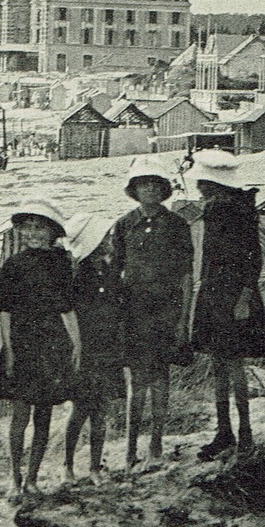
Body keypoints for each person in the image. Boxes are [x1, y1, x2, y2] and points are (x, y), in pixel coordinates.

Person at [0, 200, 85, 500]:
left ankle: (32, 478)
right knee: (20, 415)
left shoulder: (62, 263)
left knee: (44, 415)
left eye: (39, 227)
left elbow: (67, 307)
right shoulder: (12, 265)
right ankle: (14, 478)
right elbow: (5, 311)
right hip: (21, 343)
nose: (33, 233)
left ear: (52, 231)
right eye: (27, 227)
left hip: (51, 344)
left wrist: (77, 343)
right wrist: (8, 349)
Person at [111, 156, 194, 470]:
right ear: (134, 189)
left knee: (160, 379)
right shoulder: (123, 225)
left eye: (155, 185)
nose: (149, 190)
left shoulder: (176, 225)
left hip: (166, 312)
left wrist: (183, 320)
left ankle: (156, 442)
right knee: (137, 382)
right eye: (143, 184)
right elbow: (113, 273)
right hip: (134, 313)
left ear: (163, 190)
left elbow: (186, 275)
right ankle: (131, 448)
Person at [189, 150, 265, 460]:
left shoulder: (236, 212)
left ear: (213, 183)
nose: (198, 186)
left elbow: (253, 259)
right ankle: (224, 431)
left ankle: (245, 433)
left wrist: (244, 297)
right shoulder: (218, 209)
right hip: (213, 294)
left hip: (233, 296)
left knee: (234, 366)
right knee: (219, 365)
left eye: (202, 181)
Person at [62, 213, 119, 483]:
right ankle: (68, 465)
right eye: (104, 237)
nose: (110, 240)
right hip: (87, 349)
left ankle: (95, 467)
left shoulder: (108, 271)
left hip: (107, 347)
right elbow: (70, 312)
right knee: (81, 409)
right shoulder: (78, 274)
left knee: (101, 410)